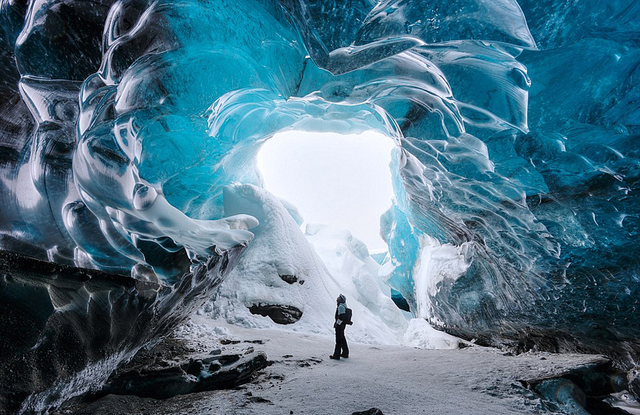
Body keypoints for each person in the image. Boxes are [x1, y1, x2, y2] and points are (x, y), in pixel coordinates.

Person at [330, 294, 351, 359]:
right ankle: (345, 353)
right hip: (342, 325)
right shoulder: (343, 306)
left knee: (338, 340)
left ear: (341, 300)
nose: (337, 299)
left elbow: (341, 317)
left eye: (338, 298)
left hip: (340, 325)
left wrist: (337, 324)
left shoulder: (341, 307)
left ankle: (336, 355)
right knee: (342, 338)